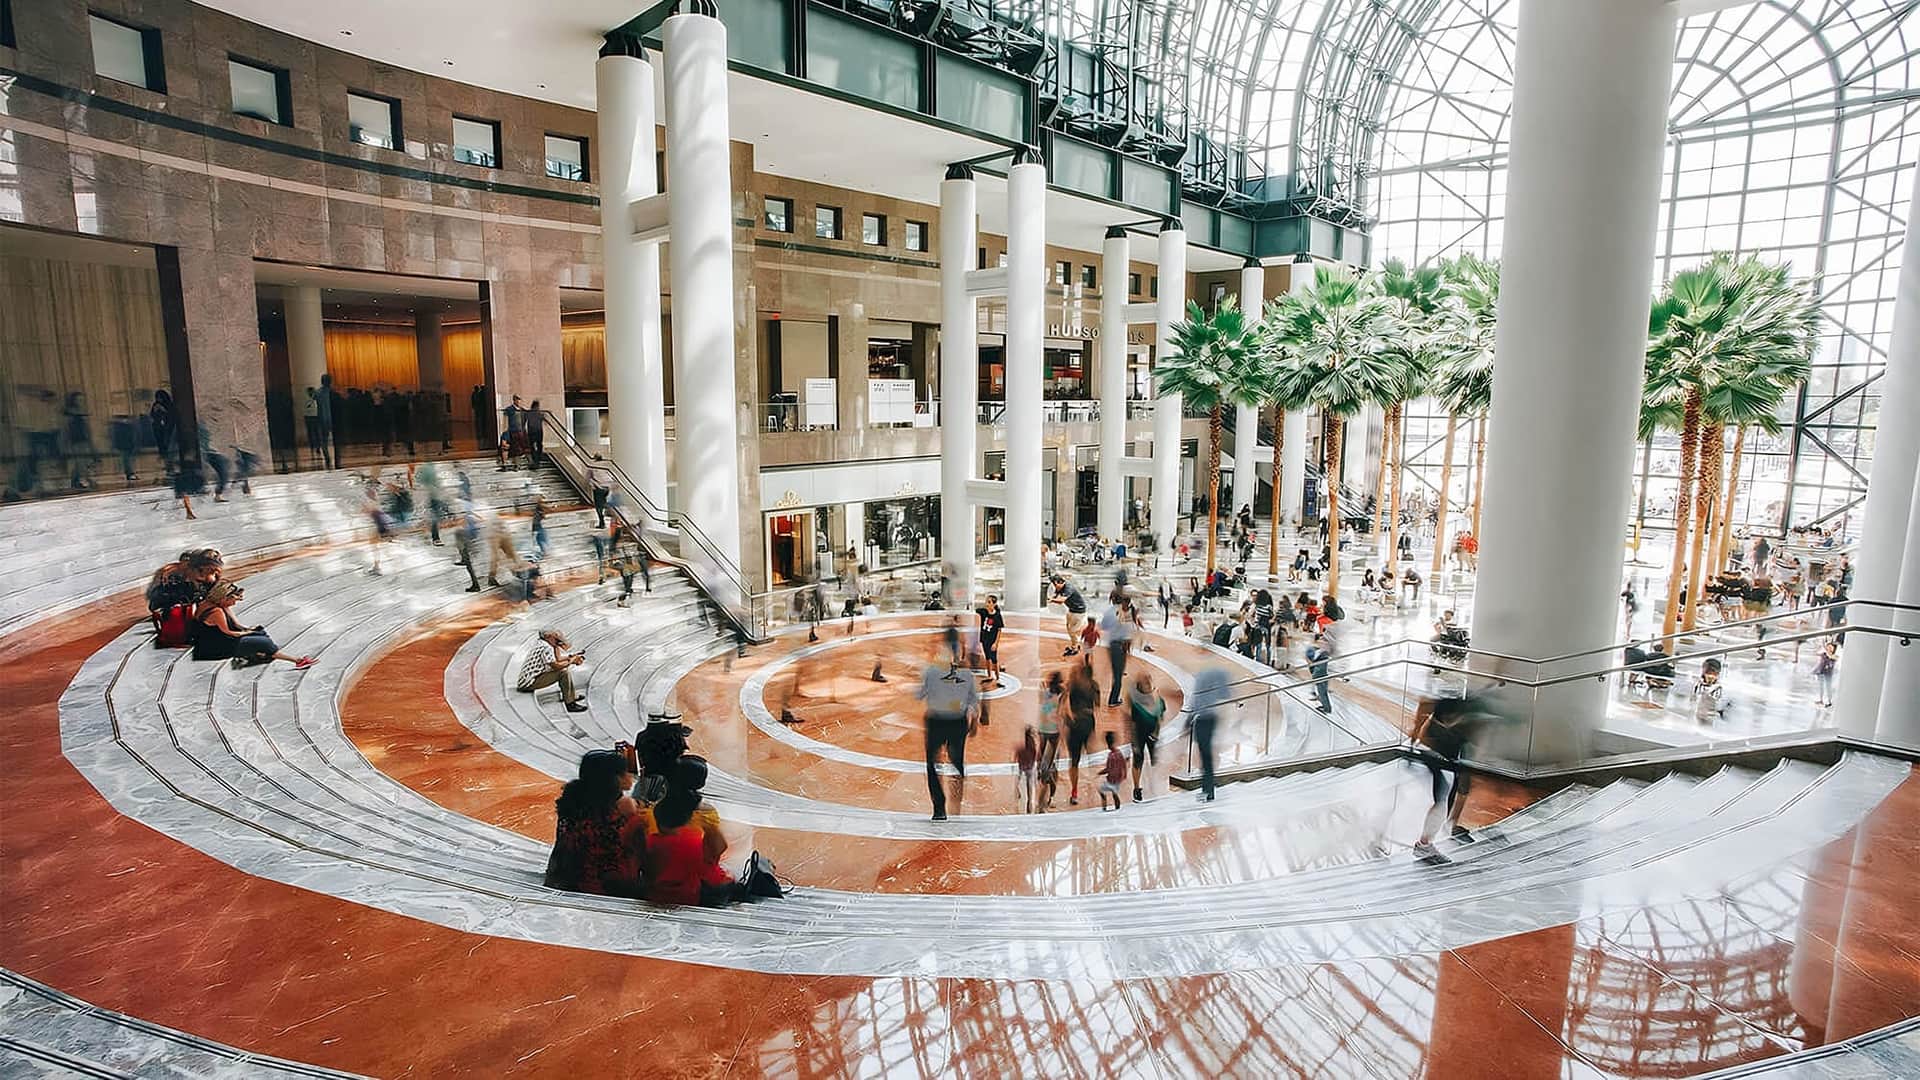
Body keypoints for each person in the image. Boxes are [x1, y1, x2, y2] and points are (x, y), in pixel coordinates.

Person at [644, 756, 748, 906]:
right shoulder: (705, 814)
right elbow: (718, 850)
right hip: (698, 887)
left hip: (658, 887)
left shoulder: (655, 810)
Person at [543, 748, 646, 897]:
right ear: (616, 779)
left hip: (571, 882)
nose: (630, 776)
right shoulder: (625, 811)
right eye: (626, 772)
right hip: (616, 888)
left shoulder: (572, 805)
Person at [191, 582, 315, 669]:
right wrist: (247, 633)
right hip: (214, 646)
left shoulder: (219, 605)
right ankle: (297, 661)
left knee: (259, 632)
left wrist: (250, 630)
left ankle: (261, 653)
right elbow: (228, 632)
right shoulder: (216, 611)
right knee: (263, 642)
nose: (234, 603)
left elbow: (236, 624)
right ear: (224, 598)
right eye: (233, 600)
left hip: (217, 639)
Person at [916, 660, 979, 821]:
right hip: (958, 721)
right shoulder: (966, 674)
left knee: (932, 763)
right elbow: (973, 699)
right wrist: (975, 719)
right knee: (957, 761)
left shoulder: (931, 671)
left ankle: (939, 808)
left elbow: (920, 694)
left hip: (936, 720)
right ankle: (956, 803)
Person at [517, 629, 589, 713]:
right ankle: (570, 704)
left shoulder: (543, 642)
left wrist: (571, 656)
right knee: (563, 673)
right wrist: (572, 661)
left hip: (530, 678)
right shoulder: (545, 647)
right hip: (528, 683)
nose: (558, 639)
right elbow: (556, 666)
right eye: (556, 637)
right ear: (548, 637)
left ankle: (571, 696)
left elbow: (558, 658)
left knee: (564, 670)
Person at [1189, 665, 1229, 801]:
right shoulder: (1208, 679)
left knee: (1206, 757)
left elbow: (1196, 702)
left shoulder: (1203, 679)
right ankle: (1207, 789)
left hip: (1204, 720)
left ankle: (1208, 790)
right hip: (1206, 718)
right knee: (1205, 757)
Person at [1124, 671, 1164, 803]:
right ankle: (1137, 788)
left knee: (1155, 759)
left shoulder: (1155, 694)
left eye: (1148, 680)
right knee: (1138, 760)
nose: (1147, 683)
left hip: (1152, 733)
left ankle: (1154, 784)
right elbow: (1127, 715)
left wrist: (1157, 732)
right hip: (1138, 733)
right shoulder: (1133, 696)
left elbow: (1160, 715)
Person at [1064, 657, 1098, 805]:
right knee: (1087, 755)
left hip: (1076, 724)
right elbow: (1097, 704)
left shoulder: (1074, 685)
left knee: (1075, 761)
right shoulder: (1093, 686)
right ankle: (1089, 785)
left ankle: (1075, 791)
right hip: (1087, 724)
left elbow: (1066, 700)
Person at [1100, 601, 1134, 705]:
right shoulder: (1123, 616)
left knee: (1117, 674)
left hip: (1113, 645)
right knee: (1118, 675)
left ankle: (1114, 698)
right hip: (1119, 646)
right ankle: (1113, 699)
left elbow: (1104, 626)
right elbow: (1127, 636)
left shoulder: (1110, 611)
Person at [1052, 575, 1088, 656]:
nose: (1055, 587)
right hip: (1071, 610)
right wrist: (1054, 596)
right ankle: (1075, 644)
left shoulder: (1068, 588)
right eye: (1054, 585)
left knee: (1072, 631)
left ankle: (1075, 648)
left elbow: (1061, 601)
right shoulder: (1060, 587)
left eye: (1055, 584)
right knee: (1069, 629)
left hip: (1079, 612)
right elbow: (1057, 593)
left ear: (1061, 582)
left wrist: (1052, 600)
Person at [976, 595, 1006, 687]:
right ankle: (989, 675)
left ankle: (998, 678)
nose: (987, 604)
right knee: (987, 658)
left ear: (994, 604)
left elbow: (999, 630)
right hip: (984, 639)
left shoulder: (997, 616)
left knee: (994, 660)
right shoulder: (983, 612)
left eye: (989, 602)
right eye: (986, 602)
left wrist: (996, 643)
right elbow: (975, 610)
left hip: (992, 641)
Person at [1097, 730, 1126, 811]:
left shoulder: (1111, 756)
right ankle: (1117, 807)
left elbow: (1108, 768)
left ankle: (1104, 806)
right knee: (1114, 793)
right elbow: (1123, 765)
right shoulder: (1119, 753)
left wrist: (1101, 772)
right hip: (1117, 779)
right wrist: (1124, 775)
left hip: (1112, 779)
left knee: (1102, 790)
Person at [1693, 658, 1729, 723]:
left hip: (1711, 718)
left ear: (1717, 674)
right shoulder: (1698, 684)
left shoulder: (1719, 688)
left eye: (1713, 674)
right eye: (1707, 673)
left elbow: (1721, 705)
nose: (1710, 676)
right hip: (1699, 715)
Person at [1305, 634, 1333, 713]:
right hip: (1322, 672)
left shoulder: (1318, 650)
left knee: (1322, 691)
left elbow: (1312, 659)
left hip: (1320, 673)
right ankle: (1325, 705)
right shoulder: (1320, 650)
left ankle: (1327, 708)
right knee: (1322, 691)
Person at [1015, 727, 1039, 814]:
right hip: (1029, 766)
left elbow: (1017, 753)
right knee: (1029, 783)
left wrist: (1016, 759)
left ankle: (1017, 791)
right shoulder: (1032, 745)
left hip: (1021, 765)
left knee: (1018, 779)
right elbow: (1035, 754)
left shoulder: (1021, 745)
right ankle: (1029, 800)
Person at [588, 457, 615, 527]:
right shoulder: (606, 466)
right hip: (607, 487)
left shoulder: (592, 466)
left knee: (598, 506)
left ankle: (602, 522)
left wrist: (593, 485)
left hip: (598, 487)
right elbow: (612, 477)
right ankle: (609, 518)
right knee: (605, 503)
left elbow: (589, 478)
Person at [1813, 641, 1838, 707]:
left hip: (1828, 674)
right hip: (1821, 672)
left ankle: (1829, 701)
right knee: (1821, 687)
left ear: (1833, 649)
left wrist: (1826, 650)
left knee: (1828, 687)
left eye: (1831, 647)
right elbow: (1817, 653)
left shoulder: (1834, 656)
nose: (1829, 648)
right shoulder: (1823, 653)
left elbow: (1831, 657)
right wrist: (1820, 647)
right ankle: (1821, 700)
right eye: (1828, 647)